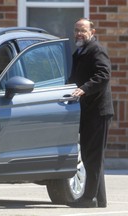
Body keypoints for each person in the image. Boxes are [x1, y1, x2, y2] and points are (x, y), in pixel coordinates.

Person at [68, 18, 114, 208]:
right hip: (86, 111)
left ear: (92, 32)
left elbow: (104, 74)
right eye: (77, 30)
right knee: (91, 156)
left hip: (98, 111)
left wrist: (85, 88)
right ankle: (99, 199)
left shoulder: (96, 49)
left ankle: (89, 198)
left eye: (83, 30)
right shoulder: (80, 51)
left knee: (92, 156)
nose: (79, 33)